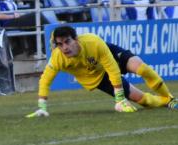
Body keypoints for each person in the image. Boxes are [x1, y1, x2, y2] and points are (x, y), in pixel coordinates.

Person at [27, 25, 178, 117]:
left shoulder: (93, 42)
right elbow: (45, 80)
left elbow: (112, 68)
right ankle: (166, 102)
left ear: (76, 39)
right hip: (98, 77)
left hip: (108, 55)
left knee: (142, 68)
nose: (65, 47)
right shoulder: (58, 58)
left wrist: (119, 98)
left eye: (67, 42)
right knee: (142, 100)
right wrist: (42, 107)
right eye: (60, 44)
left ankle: (170, 99)